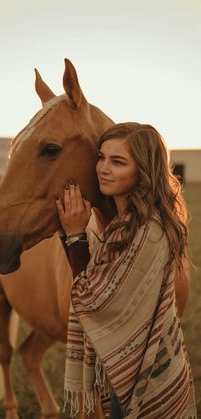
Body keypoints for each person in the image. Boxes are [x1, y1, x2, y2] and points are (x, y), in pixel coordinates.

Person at [55, 122, 197, 418]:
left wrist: (75, 236)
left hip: (147, 380)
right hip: (132, 371)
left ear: (143, 170)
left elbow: (92, 300)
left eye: (117, 162)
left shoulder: (147, 231)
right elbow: (97, 282)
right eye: (101, 157)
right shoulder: (126, 224)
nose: (103, 169)